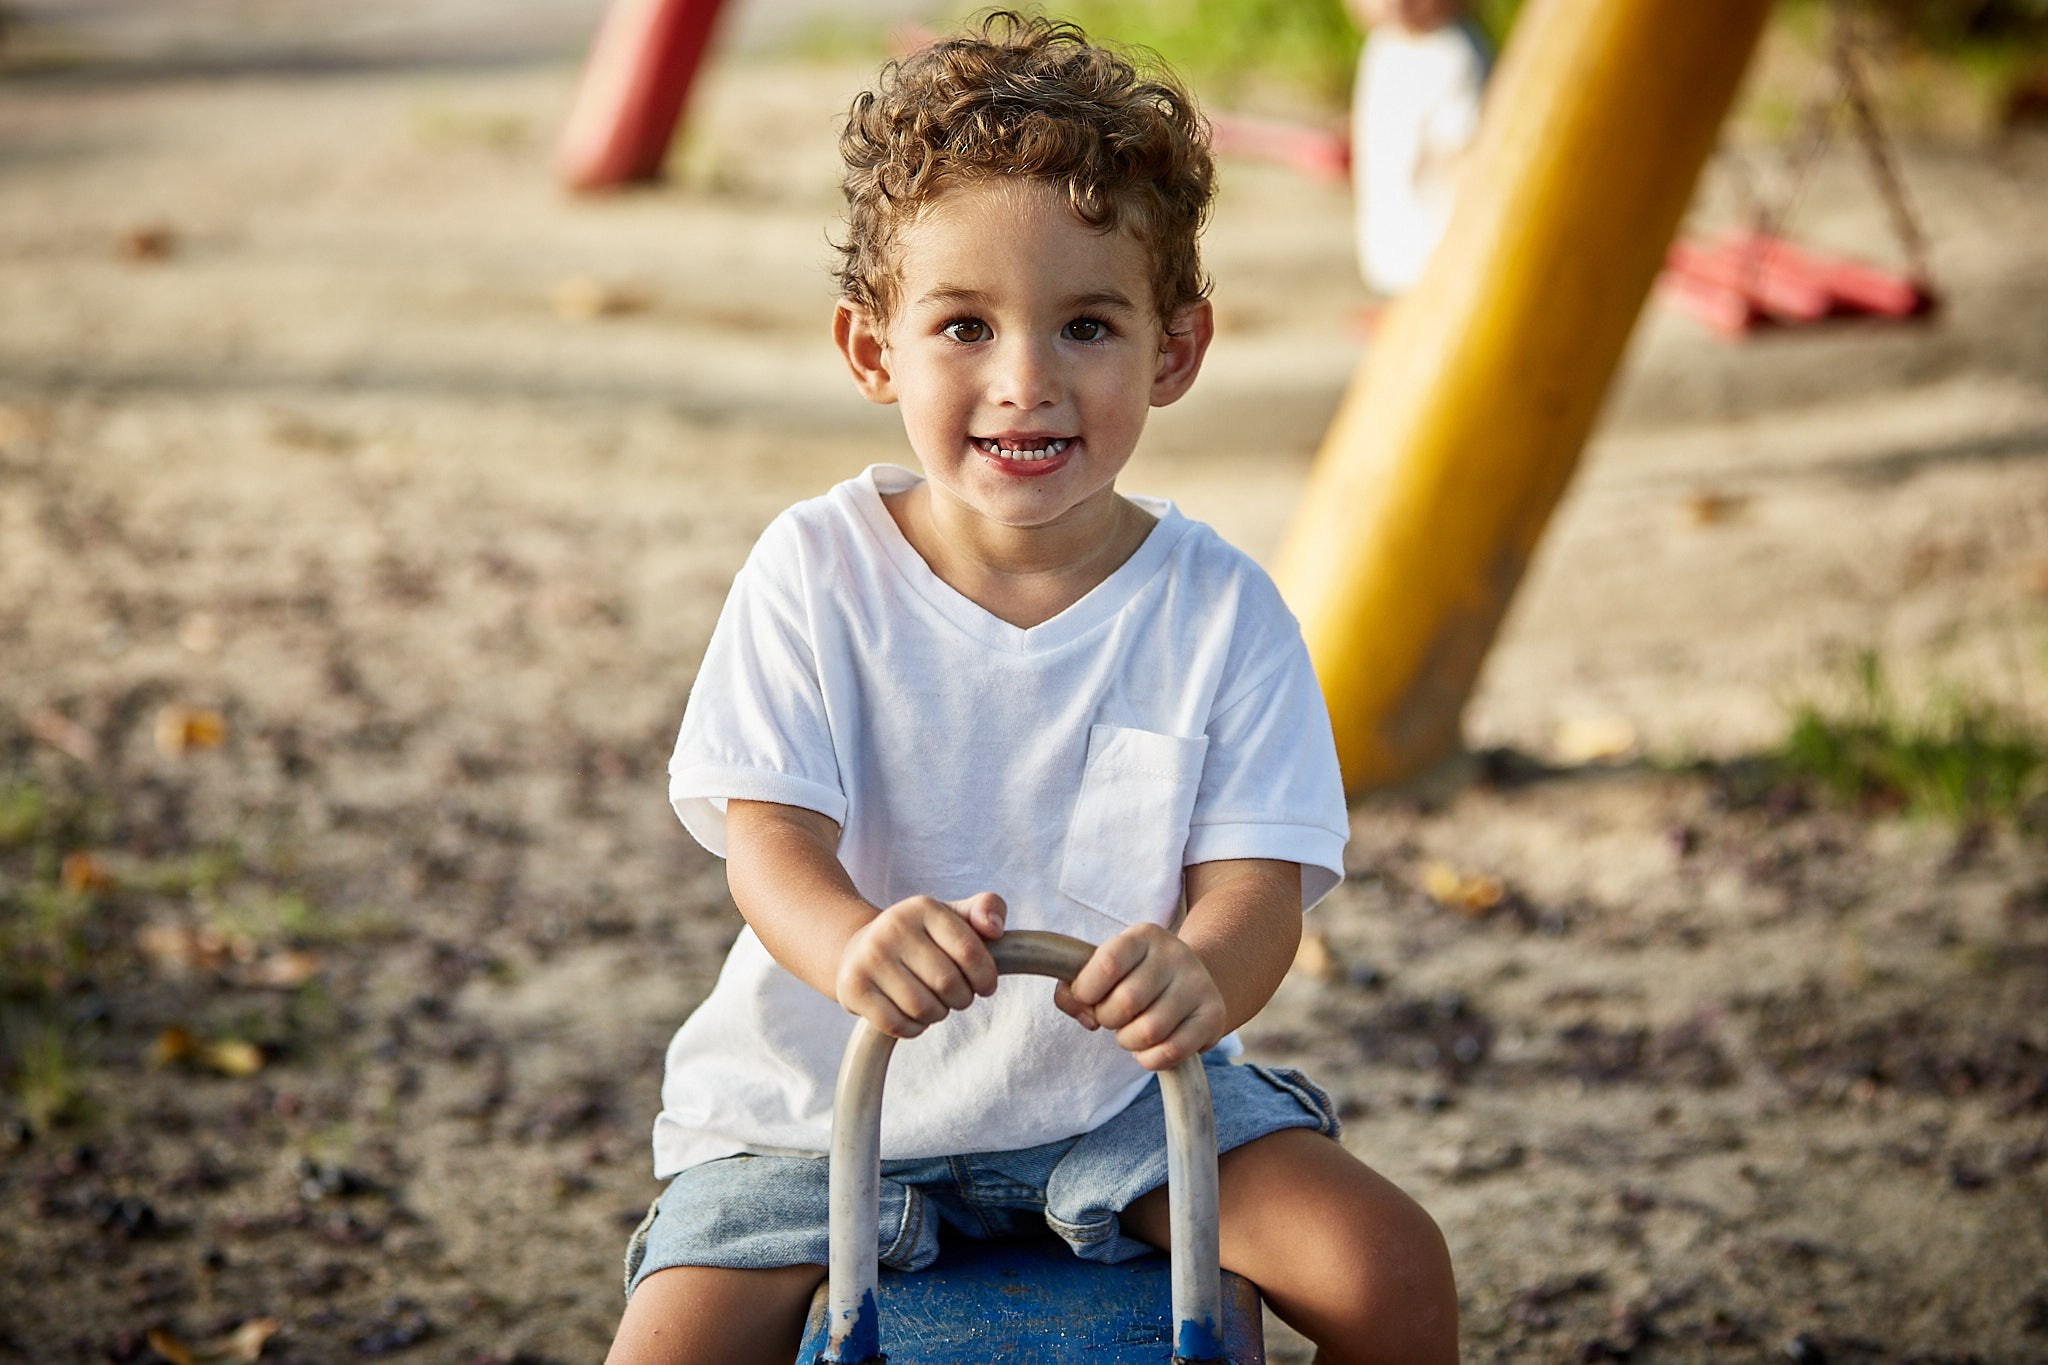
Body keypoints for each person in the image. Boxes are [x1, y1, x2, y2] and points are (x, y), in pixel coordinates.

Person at [603, 13, 1458, 1365]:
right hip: (820, 1107)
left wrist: (1205, 973)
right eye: (964, 325)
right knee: (670, 1348)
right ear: (874, 350)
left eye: (1086, 324)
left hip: (1114, 1104)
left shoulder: (1219, 609)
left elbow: (1259, 883)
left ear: (1173, 351)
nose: (1026, 381)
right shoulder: (817, 573)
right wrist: (851, 947)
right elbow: (768, 840)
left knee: (1388, 1265)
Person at [1347, 0, 1493, 296]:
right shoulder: (1385, 45)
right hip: (1390, 251)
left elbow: (1466, 160)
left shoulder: (1455, 56)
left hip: (1435, 261)